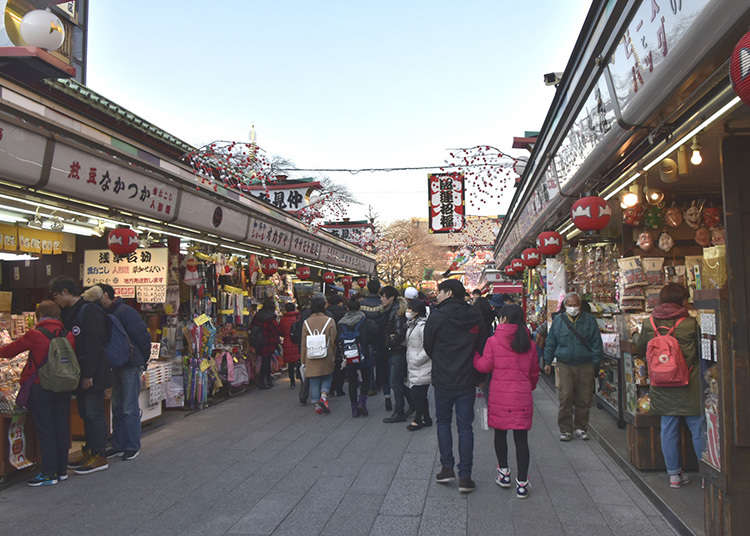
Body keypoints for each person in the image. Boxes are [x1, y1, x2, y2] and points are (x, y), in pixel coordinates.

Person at [0, 300, 75, 486]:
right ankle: (61, 470)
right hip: (64, 386)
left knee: (46, 429)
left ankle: (49, 473)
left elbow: (10, 351)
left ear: (38, 315)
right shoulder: (67, 334)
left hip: (41, 386)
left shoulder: (35, 334)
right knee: (61, 427)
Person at [635, 283, 703, 488]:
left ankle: (673, 475)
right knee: (697, 428)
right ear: (681, 300)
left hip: (662, 383)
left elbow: (640, 349)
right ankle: (707, 477)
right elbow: (702, 350)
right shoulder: (689, 324)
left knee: (668, 427)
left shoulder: (650, 323)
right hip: (689, 382)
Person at [424, 279, 484, 494]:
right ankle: (465, 476)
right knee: (465, 426)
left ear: (448, 293)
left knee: (443, 422)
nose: (437, 295)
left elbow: (427, 345)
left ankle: (447, 467)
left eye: (440, 291)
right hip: (467, 377)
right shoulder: (474, 315)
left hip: (443, 378)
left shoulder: (437, 316)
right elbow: (481, 345)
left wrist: (441, 360)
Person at [474, 304, 540, 499]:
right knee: (521, 440)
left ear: (503, 319)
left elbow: (484, 367)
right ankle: (522, 484)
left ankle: (504, 474)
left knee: (500, 435)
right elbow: (534, 373)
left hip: (499, 395)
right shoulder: (529, 343)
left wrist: (475, 356)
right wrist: (528, 387)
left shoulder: (493, 341)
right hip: (522, 396)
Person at [49, 276, 111, 475]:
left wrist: (89, 374)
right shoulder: (70, 312)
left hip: (92, 372)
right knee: (85, 412)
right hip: (79, 371)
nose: (55, 300)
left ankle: (99, 455)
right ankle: (89, 450)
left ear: (66, 291)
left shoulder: (89, 310)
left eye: (56, 295)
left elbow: (93, 344)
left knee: (94, 413)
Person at [83, 284, 150, 462]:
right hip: (114, 364)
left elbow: (142, 335)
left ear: (106, 295)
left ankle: (132, 445)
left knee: (129, 406)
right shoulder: (102, 313)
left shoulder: (125, 312)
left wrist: (143, 359)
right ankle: (119, 444)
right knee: (117, 405)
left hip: (130, 363)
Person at [543, 292, 602, 441]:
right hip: (565, 364)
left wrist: (596, 364)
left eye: (575, 305)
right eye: (569, 305)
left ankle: (581, 427)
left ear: (580, 306)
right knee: (566, 396)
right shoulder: (559, 321)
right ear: (565, 306)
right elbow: (551, 342)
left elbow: (596, 343)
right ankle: (565, 429)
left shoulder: (589, 321)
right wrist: (547, 362)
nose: (573, 308)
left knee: (584, 398)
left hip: (585, 363)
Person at [381, 285, 413, 423]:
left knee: (395, 382)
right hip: (395, 350)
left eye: (383, 296)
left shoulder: (397, 312)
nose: (381, 299)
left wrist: (389, 341)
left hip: (398, 350)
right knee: (397, 381)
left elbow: (400, 333)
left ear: (391, 297)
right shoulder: (390, 309)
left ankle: (399, 411)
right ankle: (415, 403)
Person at [301, 294, 337, 414]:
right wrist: (333, 353)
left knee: (314, 380)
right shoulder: (330, 321)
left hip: (311, 355)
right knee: (327, 376)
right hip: (326, 353)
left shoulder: (306, 323)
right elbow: (333, 340)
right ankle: (324, 396)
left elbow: (303, 343)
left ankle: (317, 404)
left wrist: (303, 360)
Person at [337, 299, 372, 417]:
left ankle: (354, 408)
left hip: (349, 357)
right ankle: (362, 402)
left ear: (347, 309)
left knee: (352, 382)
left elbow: (338, 340)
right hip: (363, 354)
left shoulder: (341, 323)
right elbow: (371, 336)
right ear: (359, 308)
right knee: (366, 379)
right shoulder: (364, 321)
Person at [405, 299, 431, 431]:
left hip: (422, 366)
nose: (408, 311)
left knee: (417, 395)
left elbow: (428, 347)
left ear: (416, 312)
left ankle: (418, 419)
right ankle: (426, 418)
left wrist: (416, 359)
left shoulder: (423, 326)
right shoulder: (412, 324)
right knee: (420, 394)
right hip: (414, 365)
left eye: (410, 309)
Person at [360, 279, 387, 400]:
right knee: (380, 360)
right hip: (380, 336)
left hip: (365, 336)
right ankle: (380, 383)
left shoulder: (361, 303)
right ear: (379, 289)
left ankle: (370, 385)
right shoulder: (382, 304)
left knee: (367, 361)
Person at [251, 297, 281, 389]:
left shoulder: (258, 315)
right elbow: (275, 331)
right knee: (266, 361)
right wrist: (277, 343)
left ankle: (262, 380)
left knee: (263, 360)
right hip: (268, 342)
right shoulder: (271, 318)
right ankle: (265, 380)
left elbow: (252, 327)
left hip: (259, 341)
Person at [327, 294, 347, 397]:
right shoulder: (343, 311)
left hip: (329, 340)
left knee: (330, 365)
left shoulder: (326, 312)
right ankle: (339, 389)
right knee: (340, 365)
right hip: (341, 339)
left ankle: (330, 388)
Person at [279, 302, 301, 389]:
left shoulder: (283, 319)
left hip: (288, 342)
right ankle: (300, 377)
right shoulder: (298, 317)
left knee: (290, 364)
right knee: (299, 360)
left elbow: (280, 332)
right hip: (297, 342)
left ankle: (292, 381)